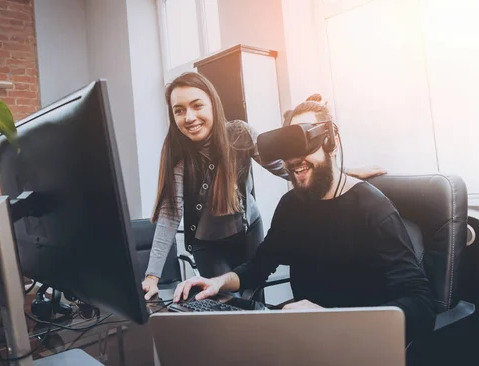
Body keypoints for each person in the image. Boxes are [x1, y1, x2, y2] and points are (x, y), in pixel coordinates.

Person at [172, 94, 436, 343]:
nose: (293, 159)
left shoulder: (374, 209)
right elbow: (258, 266)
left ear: (331, 144)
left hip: (357, 341)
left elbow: (421, 304)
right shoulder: (291, 207)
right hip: (307, 339)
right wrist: (218, 282)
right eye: (287, 146)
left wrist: (334, 320)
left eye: (303, 143)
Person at [142, 72, 386, 300]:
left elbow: (284, 168)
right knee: (222, 304)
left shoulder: (240, 134)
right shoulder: (178, 156)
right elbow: (169, 215)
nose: (190, 117)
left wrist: (344, 172)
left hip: (248, 232)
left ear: (213, 105)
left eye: (197, 105)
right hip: (208, 245)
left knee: (253, 296)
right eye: (179, 111)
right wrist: (152, 277)